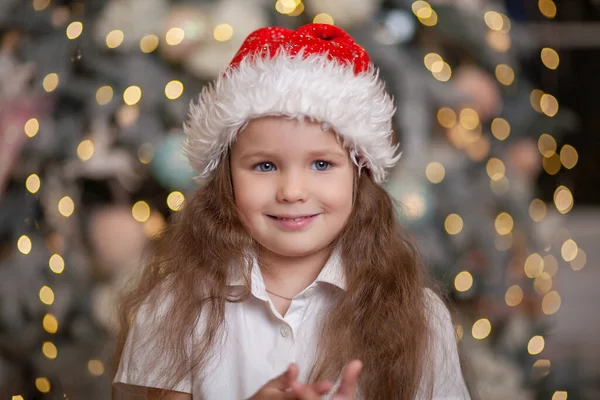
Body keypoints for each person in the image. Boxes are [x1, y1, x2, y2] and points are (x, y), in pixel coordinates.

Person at [112, 23, 471, 400]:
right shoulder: (175, 309)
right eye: (265, 166)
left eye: (321, 164)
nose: (292, 192)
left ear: (358, 177)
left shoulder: (419, 318)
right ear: (227, 179)